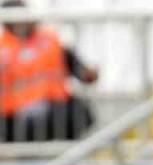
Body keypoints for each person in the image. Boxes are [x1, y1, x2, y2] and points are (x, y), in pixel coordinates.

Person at [0, 0, 98, 142]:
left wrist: (88, 74)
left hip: (55, 111)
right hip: (15, 119)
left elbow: (78, 69)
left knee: (80, 112)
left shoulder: (50, 41)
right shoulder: (2, 48)